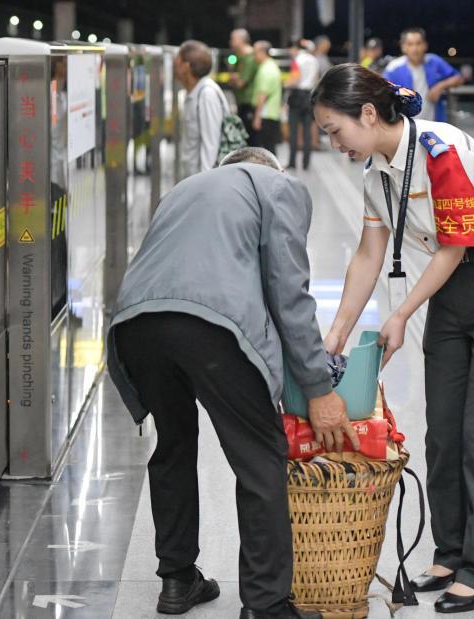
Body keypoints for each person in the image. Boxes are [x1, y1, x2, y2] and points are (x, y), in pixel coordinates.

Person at [312, 64, 474, 613]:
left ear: (368, 114)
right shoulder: (377, 175)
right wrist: (336, 336)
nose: (334, 143)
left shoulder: (443, 149)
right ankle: (451, 550)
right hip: (449, 293)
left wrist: (401, 314)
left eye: (335, 130)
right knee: (443, 432)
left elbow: (456, 246)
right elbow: (369, 256)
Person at [106, 147, 358, 619]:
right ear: (271, 169)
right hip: (211, 328)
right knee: (260, 460)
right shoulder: (278, 187)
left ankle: (178, 580)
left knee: (174, 444)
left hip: (136, 324)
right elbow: (288, 293)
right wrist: (319, 387)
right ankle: (266, 605)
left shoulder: (186, 189)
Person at [384, 28, 463, 122]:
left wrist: (440, 86)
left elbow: (458, 78)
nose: (415, 48)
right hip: (405, 126)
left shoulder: (434, 61)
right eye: (410, 44)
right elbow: (381, 90)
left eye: (418, 43)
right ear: (403, 47)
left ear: (425, 45)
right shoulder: (394, 68)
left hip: (434, 124)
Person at [175, 40, 227, 177]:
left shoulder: (206, 94)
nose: (174, 65)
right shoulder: (192, 92)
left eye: (177, 60)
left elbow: (211, 144)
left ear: (186, 66)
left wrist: (204, 185)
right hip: (192, 178)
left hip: (201, 182)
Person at [286, 39, 320, 169]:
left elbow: (295, 79)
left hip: (297, 96)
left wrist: (284, 84)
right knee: (307, 132)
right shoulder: (313, 60)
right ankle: (306, 163)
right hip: (309, 96)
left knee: (293, 131)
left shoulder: (297, 60)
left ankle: (292, 162)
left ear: (296, 48)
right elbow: (316, 79)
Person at [251, 41, 283, 154]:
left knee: (266, 151)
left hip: (266, 115)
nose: (253, 55)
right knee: (269, 148)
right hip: (271, 114)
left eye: (254, 52)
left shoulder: (267, 69)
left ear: (261, 52)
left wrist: (257, 117)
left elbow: (262, 95)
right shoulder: (270, 66)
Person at [229, 29, 258, 138]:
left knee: (250, 138)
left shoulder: (250, 57)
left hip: (249, 103)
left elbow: (241, 83)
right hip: (242, 102)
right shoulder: (239, 56)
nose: (230, 42)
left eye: (233, 39)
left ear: (242, 40)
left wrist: (235, 79)